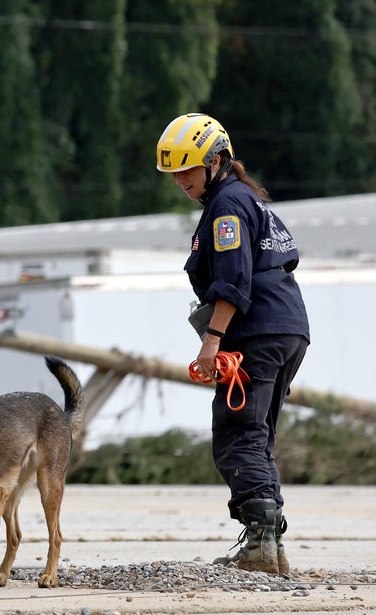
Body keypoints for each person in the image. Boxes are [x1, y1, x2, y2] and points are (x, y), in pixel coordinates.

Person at [155, 113, 310, 576]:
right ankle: (270, 550)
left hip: (257, 332)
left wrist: (212, 340)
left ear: (217, 160)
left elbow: (233, 280)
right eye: (175, 172)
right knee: (257, 436)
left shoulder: (227, 207)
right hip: (287, 327)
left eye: (188, 168)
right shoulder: (248, 200)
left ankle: (261, 546)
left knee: (237, 433)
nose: (181, 179)